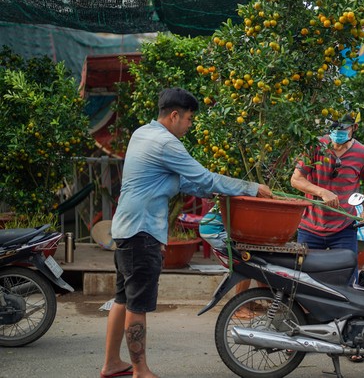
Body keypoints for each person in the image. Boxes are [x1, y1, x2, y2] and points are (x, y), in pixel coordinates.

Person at [100, 87, 272, 378]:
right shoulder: (167, 144)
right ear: (175, 115)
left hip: (127, 228)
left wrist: (218, 190)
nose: (190, 126)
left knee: (123, 299)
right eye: (190, 119)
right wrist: (250, 188)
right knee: (137, 304)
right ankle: (140, 371)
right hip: (141, 231)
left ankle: (112, 364)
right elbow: (203, 177)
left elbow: (183, 183)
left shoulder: (142, 133)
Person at [290, 111, 364, 363]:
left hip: (344, 229)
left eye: (344, 127)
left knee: (349, 285)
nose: (337, 132)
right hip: (309, 226)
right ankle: (292, 337)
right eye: (334, 127)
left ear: (354, 128)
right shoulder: (315, 146)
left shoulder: (363, 153)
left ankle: (351, 342)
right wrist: (321, 191)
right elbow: (296, 179)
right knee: (298, 282)